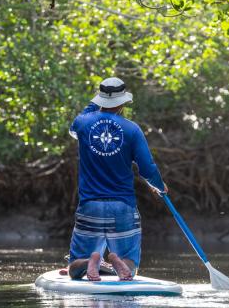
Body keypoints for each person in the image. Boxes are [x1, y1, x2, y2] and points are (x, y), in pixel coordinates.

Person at [67, 77, 167, 281]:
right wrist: (159, 185)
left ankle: (89, 262)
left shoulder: (82, 123)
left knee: (73, 270)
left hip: (90, 205)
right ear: (122, 103)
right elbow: (147, 168)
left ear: (100, 98)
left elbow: (73, 128)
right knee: (131, 266)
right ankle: (119, 262)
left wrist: (96, 102)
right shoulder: (132, 129)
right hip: (123, 207)